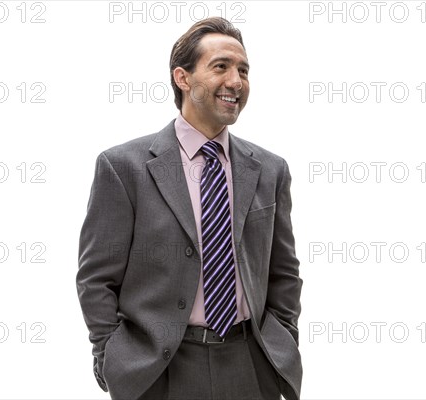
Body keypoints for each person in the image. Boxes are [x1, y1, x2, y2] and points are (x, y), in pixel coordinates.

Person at [76, 16, 302, 400]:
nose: (236, 81)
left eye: (243, 70)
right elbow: (96, 279)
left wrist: (282, 341)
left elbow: (284, 273)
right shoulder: (123, 167)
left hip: (249, 366)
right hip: (159, 372)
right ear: (182, 78)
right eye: (221, 67)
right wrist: (110, 357)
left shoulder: (270, 169)